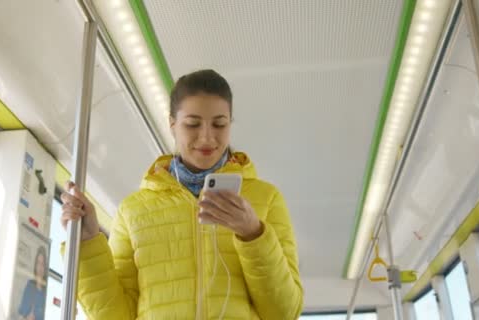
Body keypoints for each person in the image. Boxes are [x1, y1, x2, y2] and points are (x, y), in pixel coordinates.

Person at [61, 69, 303, 319]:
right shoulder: (134, 210)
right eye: (193, 124)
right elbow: (115, 316)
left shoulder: (266, 199)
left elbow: (284, 313)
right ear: (172, 124)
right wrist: (88, 242)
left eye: (219, 124)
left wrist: (254, 234)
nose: (207, 137)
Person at [17, 245, 47, 320]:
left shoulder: (46, 293)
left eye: (43, 264)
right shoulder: (30, 286)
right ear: (35, 265)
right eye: (38, 263)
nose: (40, 267)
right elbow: (20, 316)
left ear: (45, 267)